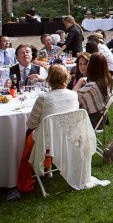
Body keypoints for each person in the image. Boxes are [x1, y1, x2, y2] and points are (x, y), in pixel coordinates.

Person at [15, 65, 79, 194]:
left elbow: (31, 124)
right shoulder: (73, 95)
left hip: (48, 140)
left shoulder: (44, 98)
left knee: (30, 135)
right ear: (66, 77)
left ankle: (27, 176)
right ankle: (47, 168)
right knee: (45, 131)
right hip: (69, 136)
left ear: (49, 79)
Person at [77, 53, 113, 127]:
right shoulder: (105, 81)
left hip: (92, 122)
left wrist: (79, 81)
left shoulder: (92, 87)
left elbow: (73, 99)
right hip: (102, 119)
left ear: (92, 66)